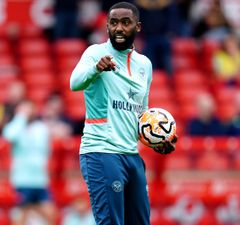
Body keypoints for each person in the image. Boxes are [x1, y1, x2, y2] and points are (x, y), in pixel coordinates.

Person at [70, 2, 177, 225]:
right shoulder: (95, 53)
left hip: (131, 155)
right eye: (114, 22)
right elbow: (74, 83)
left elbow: (141, 113)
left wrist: (158, 139)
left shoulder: (144, 65)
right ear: (107, 26)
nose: (119, 28)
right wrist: (96, 68)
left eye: (125, 22)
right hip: (101, 152)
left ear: (137, 27)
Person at [2, 99, 57, 225]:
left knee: (50, 214)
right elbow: (9, 136)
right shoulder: (15, 126)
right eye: (23, 109)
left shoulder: (41, 128)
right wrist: (20, 118)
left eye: (29, 108)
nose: (27, 111)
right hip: (22, 180)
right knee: (21, 216)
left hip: (40, 180)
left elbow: (46, 151)